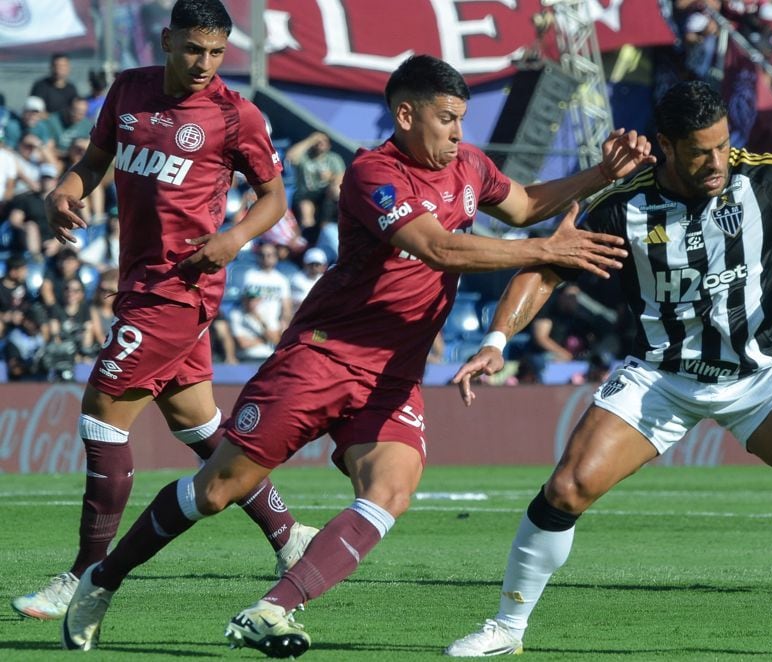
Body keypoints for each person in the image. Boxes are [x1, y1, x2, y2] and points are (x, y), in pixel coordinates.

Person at [58, 52, 656, 654]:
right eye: (446, 119)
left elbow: (525, 206)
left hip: (393, 376)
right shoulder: (373, 174)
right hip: (320, 359)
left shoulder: (469, 165)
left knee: (390, 490)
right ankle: (101, 579)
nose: (457, 133)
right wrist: (544, 253)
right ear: (405, 114)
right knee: (216, 491)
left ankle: (272, 609)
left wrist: (599, 174)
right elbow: (439, 249)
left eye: (461, 119)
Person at [445, 79, 772, 657]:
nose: (716, 162)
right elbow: (544, 270)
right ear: (665, 145)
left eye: (722, 146)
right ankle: (508, 627)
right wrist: (495, 340)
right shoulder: (623, 205)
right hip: (660, 377)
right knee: (566, 488)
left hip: (761, 373)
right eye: (699, 151)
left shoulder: (768, 175)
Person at [11, 0, 318, 623]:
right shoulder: (128, 91)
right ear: (167, 40)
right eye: (193, 49)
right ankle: (291, 538)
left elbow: (274, 195)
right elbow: (95, 160)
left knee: (102, 414)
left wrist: (233, 238)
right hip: (139, 282)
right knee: (199, 427)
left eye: (216, 52)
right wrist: (66, 190)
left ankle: (83, 577)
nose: (204, 64)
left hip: (180, 289)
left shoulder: (236, 116)